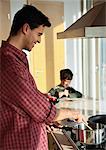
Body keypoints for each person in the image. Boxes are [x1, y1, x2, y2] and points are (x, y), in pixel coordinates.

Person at [0, 5, 86, 150]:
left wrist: (42, 97)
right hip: (22, 145)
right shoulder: (9, 64)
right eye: (39, 34)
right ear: (26, 28)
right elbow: (40, 110)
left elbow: (23, 99)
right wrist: (71, 113)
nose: (39, 40)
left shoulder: (15, 60)